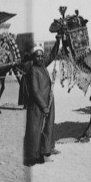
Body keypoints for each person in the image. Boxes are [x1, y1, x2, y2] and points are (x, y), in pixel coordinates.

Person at [23, 38, 60, 166]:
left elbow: (52, 55)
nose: (40, 58)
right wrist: (43, 106)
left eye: (41, 56)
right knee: (35, 130)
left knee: (47, 127)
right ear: (33, 58)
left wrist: (58, 40)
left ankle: (45, 152)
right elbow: (34, 91)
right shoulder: (33, 70)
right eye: (37, 56)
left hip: (47, 102)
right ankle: (33, 157)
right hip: (38, 106)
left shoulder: (43, 66)